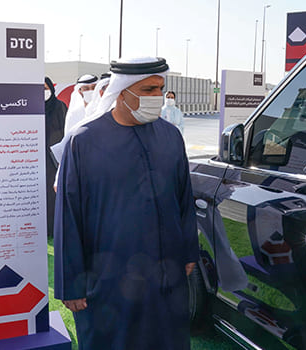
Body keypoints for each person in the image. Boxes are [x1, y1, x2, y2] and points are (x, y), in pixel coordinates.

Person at [53, 56, 199, 350]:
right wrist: (71, 284)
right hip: (108, 277)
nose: (157, 97)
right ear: (123, 92)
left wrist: (187, 253)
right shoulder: (83, 141)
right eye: (148, 90)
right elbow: (68, 215)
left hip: (166, 274)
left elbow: (183, 199)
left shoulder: (170, 136)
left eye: (160, 88)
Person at [44, 77, 67, 236]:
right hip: (36, 158)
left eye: (46, 88)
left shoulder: (59, 106)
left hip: (54, 159)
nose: (43, 92)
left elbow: (64, 131)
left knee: (52, 195)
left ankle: (53, 228)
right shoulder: (32, 107)